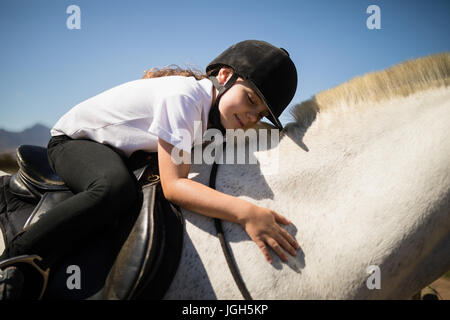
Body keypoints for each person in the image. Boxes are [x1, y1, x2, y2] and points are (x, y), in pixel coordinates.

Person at [0, 40, 300, 299]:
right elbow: (175, 187)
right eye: (250, 100)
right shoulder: (184, 99)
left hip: (121, 150)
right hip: (74, 141)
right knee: (114, 188)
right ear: (225, 76)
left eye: (260, 114)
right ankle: (17, 260)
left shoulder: (213, 116)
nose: (251, 116)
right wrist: (246, 212)